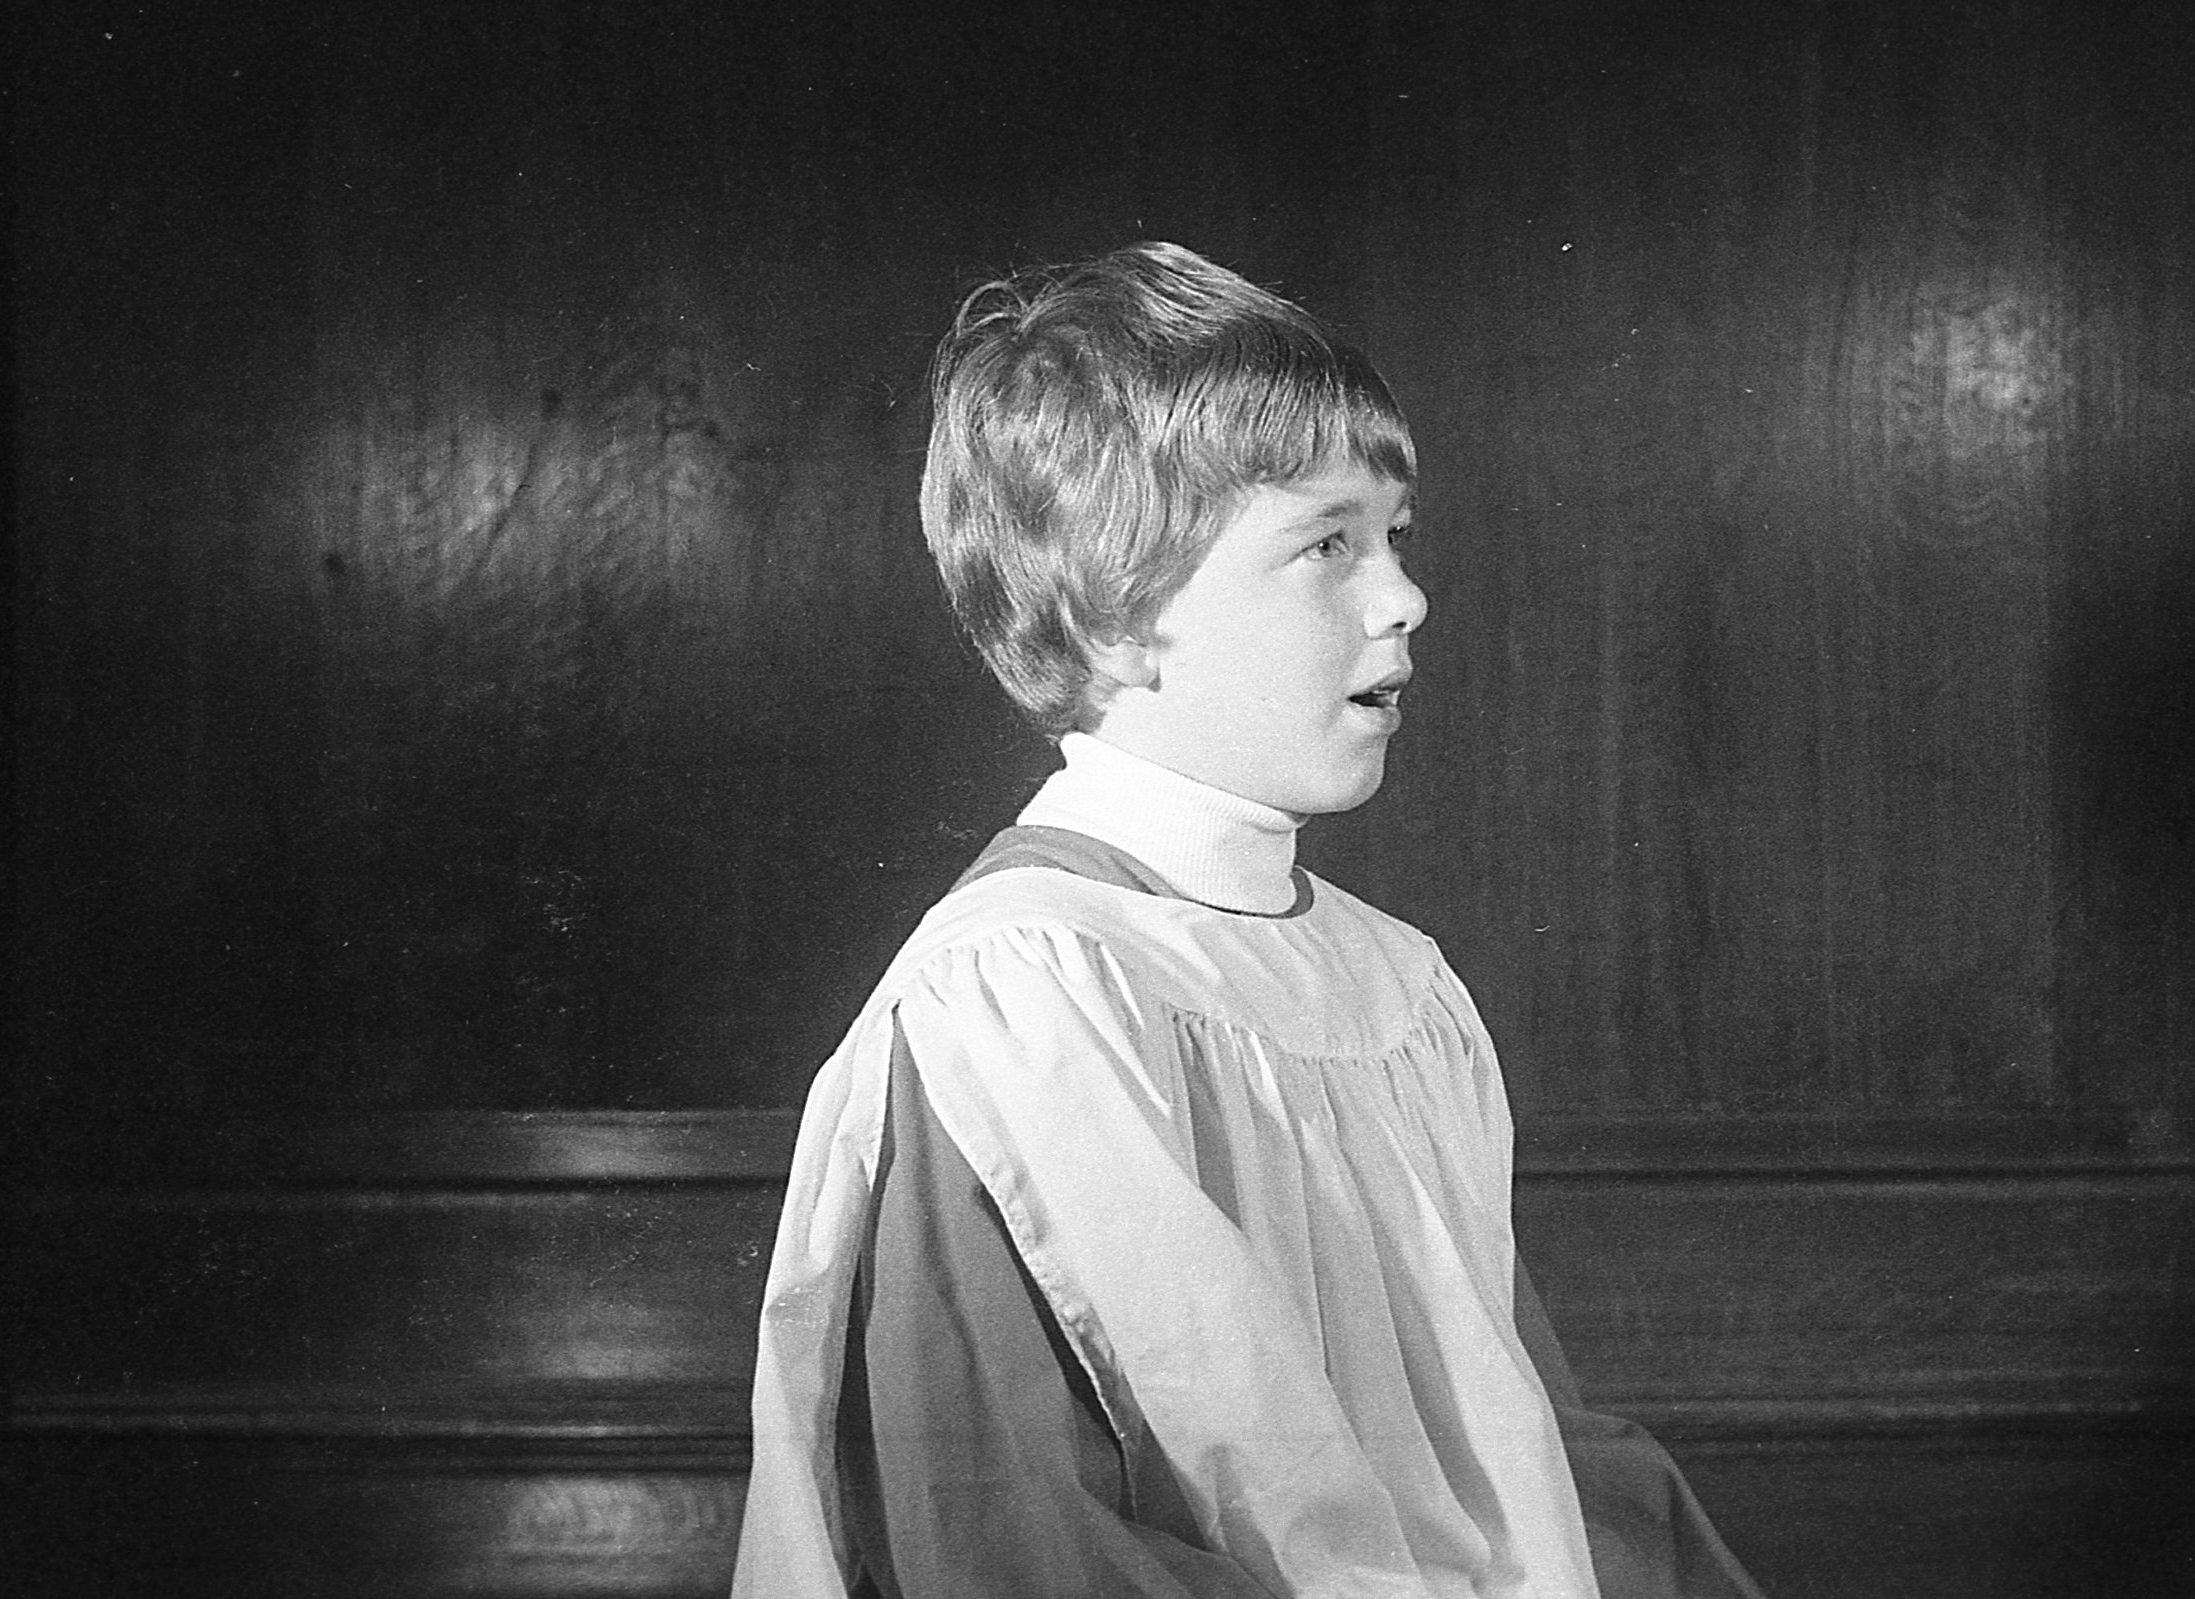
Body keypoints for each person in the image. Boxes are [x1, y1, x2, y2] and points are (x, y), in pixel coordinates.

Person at [733, 241, 1765, 1598]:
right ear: (1115, 617)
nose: (1404, 597)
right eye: (1327, 544)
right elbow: (1012, 1540)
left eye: (1395, 536)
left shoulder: (1397, 994)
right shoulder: (1020, 997)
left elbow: (1530, 1467)